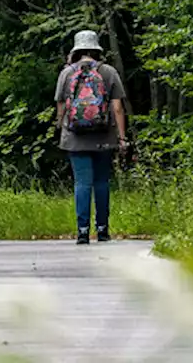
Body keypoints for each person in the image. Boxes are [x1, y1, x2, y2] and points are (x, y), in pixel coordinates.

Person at [55, 30, 127, 245]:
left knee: (82, 183)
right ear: (97, 49)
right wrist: (122, 138)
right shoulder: (109, 72)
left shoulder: (67, 73)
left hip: (75, 137)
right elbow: (117, 107)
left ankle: (83, 231)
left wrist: (61, 126)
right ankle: (103, 229)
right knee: (102, 182)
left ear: (75, 50)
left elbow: (60, 105)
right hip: (103, 136)